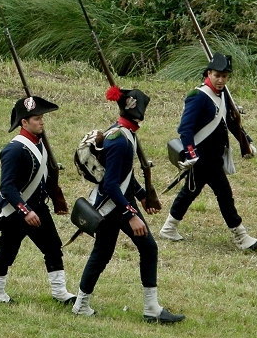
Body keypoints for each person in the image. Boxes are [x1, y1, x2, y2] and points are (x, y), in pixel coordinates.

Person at [72, 86, 185, 323]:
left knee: (142, 249)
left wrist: (142, 194)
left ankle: (149, 308)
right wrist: (131, 214)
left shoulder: (121, 133)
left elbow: (124, 175)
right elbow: (111, 185)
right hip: (113, 206)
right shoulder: (121, 140)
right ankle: (83, 305)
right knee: (106, 253)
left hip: (120, 203)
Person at [159, 52, 257, 251]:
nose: (220, 80)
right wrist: (191, 153)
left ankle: (168, 227)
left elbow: (231, 120)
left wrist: (246, 141)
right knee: (225, 195)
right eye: (217, 75)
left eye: (224, 76)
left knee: (190, 191)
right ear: (209, 73)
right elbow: (185, 129)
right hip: (203, 156)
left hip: (214, 154)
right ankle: (241, 237)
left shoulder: (223, 94)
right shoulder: (198, 97)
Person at [0, 96, 76, 305]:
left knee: (53, 247)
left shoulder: (40, 145)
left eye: (41, 117)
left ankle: (60, 292)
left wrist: (56, 197)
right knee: (8, 250)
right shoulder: (14, 150)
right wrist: (25, 211)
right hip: (16, 210)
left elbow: (45, 178)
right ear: (24, 122)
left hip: (37, 207)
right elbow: (7, 187)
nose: (42, 121)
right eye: (36, 118)